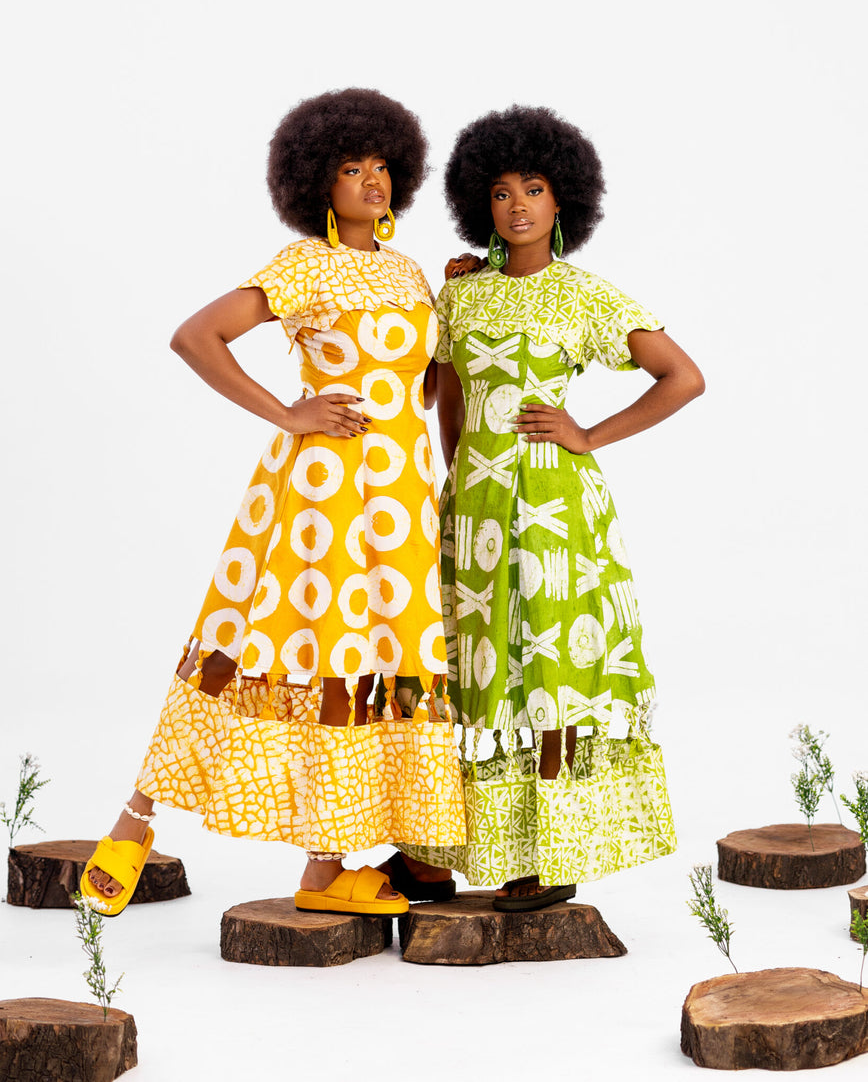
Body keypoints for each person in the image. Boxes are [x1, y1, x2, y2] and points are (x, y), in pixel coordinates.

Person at [81, 87, 466, 917]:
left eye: (382, 165)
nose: (372, 180)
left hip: (401, 492)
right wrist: (290, 414)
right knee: (291, 640)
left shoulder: (409, 272)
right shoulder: (301, 263)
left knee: (375, 656)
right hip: (326, 489)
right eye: (352, 168)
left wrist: (459, 299)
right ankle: (136, 817)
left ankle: (325, 871)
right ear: (316, 182)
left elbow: (424, 389)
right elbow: (196, 336)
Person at [400, 105, 704, 910]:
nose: (518, 207)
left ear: (563, 197)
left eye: (533, 189)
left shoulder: (585, 296)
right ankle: (440, 849)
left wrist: (589, 434)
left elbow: (683, 377)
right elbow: (447, 399)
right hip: (475, 506)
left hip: (555, 509)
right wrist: (462, 479)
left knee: (547, 670)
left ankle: (553, 854)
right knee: (474, 670)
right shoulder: (461, 296)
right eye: (501, 193)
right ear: (481, 203)